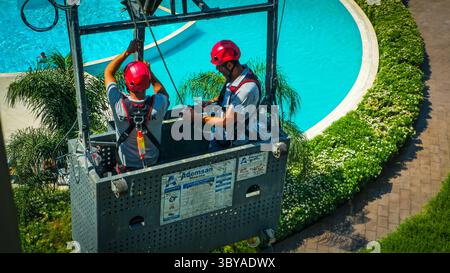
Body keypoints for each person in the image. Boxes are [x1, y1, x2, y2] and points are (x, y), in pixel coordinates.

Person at [104, 39, 169, 172]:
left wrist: (127, 52)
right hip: (153, 165)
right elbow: (162, 92)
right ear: (147, 82)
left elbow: (108, 72)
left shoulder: (118, 104)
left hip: (126, 167)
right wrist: (149, 74)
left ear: (128, 84)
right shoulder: (158, 104)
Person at [194, 40, 262, 150]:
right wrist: (210, 102)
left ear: (229, 65)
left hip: (233, 143)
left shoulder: (246, 90)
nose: (217, 69)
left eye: (219, 66)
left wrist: (197, 117)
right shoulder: (238, 75)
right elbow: (229, 96)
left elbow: (227, 122)